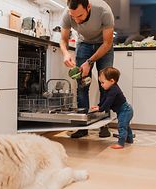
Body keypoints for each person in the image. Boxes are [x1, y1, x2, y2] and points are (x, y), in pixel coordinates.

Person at [60, 0, 115, 138]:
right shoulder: (68, 14)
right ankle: (82, 126)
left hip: (104, 46)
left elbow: (108, 43)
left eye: (80, 16)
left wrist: (89, 62)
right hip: (83, 44)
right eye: (73, 17)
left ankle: (104, 125)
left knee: (106, 85)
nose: (76, 20)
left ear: (88, 7)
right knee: (82, 85)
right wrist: (66, 53)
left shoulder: (104, 11)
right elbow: (63, 40)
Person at [91, 67, 133, 149]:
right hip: (124, 110)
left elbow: (108, 102)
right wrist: (99, 105)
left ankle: (121, 143)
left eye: (102, 82)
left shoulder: (114, 90)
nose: (101, 84)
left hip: (125, 110)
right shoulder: (109, 89)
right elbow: (104, 99)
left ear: (112, 81)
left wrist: (100, 109)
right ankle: (130, 139)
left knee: (122, 126)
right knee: (126, 126)